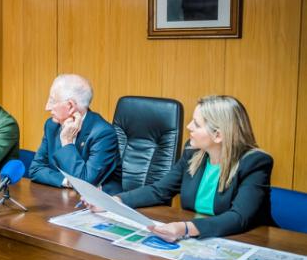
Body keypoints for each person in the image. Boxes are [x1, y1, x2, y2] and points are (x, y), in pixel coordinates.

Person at [109, 95, 274, 242]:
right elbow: (160, 191)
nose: (189, 127)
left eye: (196, 124)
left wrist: (186, 228)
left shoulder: (255, 163)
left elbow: (238, 218)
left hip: (245, 241)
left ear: (218, 135)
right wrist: (115, 202)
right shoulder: (193, 152)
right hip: (201, 241)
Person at [29, 74, 122, 194]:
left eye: (52, 101)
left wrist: (67, 142)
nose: (47, 107)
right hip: (63, 198)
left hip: (99, 205)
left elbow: (85, 183)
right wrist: (66, 181)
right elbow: (35, 169)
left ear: (71, 106)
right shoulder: (52, 125)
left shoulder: (103, 133)